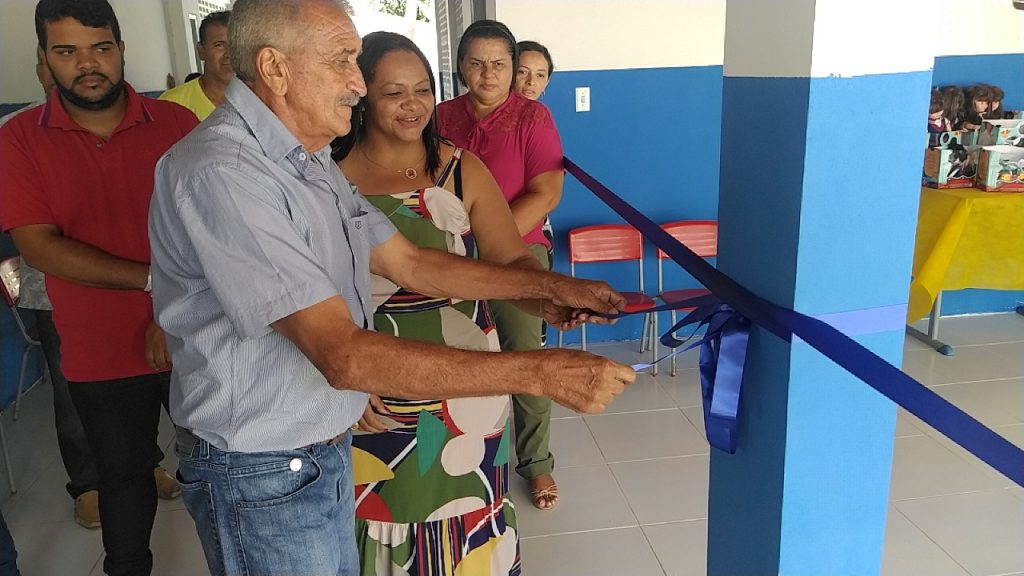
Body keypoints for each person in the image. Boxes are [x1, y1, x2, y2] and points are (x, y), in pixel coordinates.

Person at [148, 1, 634, 574]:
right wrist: (539, 373)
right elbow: (343, 353)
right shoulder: (228, 171)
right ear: (275, 68)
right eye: (342, 61)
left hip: (317, 447)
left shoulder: (306, 163)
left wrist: (551, 287)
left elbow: (410, 262)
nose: (357, 83)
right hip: (264, 467)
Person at [0, 1, 198, 574]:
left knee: (218, 471)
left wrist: (170, 309)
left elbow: (212, 232)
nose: (88, 65)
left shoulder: (177, 125)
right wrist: (153, 282)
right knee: (123, 479)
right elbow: (40, 246)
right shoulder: (19, 140)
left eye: (101, 48)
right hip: (98, 350)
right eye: (67, 51)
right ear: (44, 60)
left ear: (120, 50)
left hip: (195, 336)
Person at [333, 30, 535, 574]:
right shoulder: (328, 178)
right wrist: (347, 378)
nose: (413, 104)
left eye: (422, 89)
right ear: (361, 95)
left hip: (470, 377)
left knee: (468, 496)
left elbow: (511, 262)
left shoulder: (461, 169)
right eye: (394, 92)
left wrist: (557, 294)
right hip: (374, 379)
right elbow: (315, 296)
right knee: (384, 505)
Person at [437, 20, 565, 511]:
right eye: (476, 63)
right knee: (452, 355)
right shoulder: (441, 117)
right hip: (448, 253)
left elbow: (545, 192)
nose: (487, 74)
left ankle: (536, 463)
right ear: (460, 67)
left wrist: (490, 243)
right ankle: (459, 456)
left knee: (524, 359)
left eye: (498, 64)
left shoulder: (533, 118)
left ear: (512, 68)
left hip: (517, 254)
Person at [159, 10, 232, 120]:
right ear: (201, 51)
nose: (229, 54)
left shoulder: (257, 97)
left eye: (236, 45)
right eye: (219, 45)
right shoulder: (171, 103)